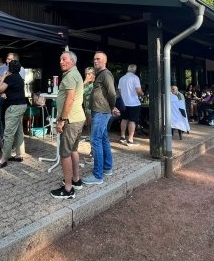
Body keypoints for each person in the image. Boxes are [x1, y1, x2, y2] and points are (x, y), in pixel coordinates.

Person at [50, 51, 86, 199]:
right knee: (73, 150)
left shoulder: (70, 76)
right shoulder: (76, 73)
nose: (61, 62)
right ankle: (76, 180)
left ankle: (68, 189)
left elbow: (70, 99)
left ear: (72, 61)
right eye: (60, 59)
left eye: (64, 59)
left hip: (70, 120)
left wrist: (62, 120)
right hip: (78, 118)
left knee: (64, 154)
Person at [82, 52, 119, 186]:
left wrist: (111, 107)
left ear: (105, 61)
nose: (95, 61)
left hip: (101, 112)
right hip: (100, 111)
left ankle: (98, 176)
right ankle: (107, 168)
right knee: (103, 139)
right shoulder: (100, 75)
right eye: (94, 59)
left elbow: (112, 93)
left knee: (95, 140)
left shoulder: (106, 74)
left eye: (98, 59)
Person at [0, 59, 28, 170]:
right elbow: (11, 90)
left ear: (9, 69)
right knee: (18, 130)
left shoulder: (10, 78)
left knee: (8, 133)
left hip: (14, 107)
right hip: (22, 105)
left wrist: (3, 76)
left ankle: (3, 160)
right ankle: (19, 155)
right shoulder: (19, 78)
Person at [117, 64, 144, 146]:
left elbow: (119, 90)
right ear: (135, 70)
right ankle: (130, 139)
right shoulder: (135, 78)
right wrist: (142, 94)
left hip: (124, 102)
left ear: (128, 69)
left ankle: (122, 137)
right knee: (132, 120)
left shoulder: (122, 78)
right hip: (134, 103)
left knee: (124, 119)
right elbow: (138, 91)